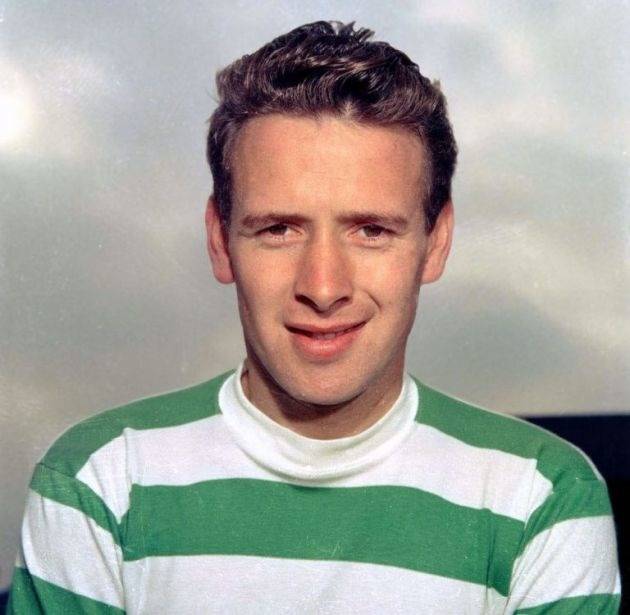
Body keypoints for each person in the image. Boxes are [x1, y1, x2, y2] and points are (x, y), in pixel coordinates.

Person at [8, 21, 620, 614]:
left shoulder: (542, 498)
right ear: (220, 240)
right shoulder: (98, 481)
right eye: (278, 229)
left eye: (371, 230)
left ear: (436, 242)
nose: (323, 288)